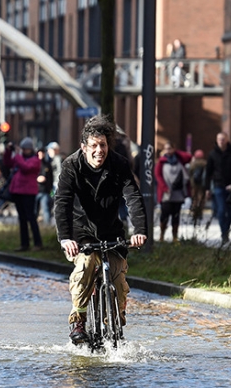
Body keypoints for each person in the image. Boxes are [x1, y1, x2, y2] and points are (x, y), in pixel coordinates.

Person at [54, 115, 148, 345]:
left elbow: (133, 196)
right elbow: (62, 202)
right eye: (94, 146)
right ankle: (79, 320)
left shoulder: (119, 164)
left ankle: (115, 324)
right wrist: (65, 238)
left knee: (117, 278)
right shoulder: (71, 165)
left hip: (111, 231)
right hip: (81, 232)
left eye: (103, 145)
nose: (99, 151)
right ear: (84, 148)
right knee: (85, 267)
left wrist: (140, 230)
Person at [4, 137, 43, 251]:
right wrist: (8, 151)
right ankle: (24, 244)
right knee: (21, 218)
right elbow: (8, 163)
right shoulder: (19, 158)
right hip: (17, 192)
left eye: (26, 149)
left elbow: (26, 168)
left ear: (30, 149)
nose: (24, 151)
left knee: (31, 217)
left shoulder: (35, 160)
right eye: (23, 149)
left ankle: (37, 243)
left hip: (28, 192)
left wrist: (17, 155)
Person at [204, 132, 231, 244]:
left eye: (223, 139)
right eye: (219, 139)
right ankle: (224, 233)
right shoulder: (213, 154)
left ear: (227, 140)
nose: (221, 141)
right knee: (221, 210)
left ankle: (226, 230)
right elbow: (208, 172)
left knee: (230, 210)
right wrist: (207, 188)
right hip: (218, 185)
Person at [155, 141, 191, 242]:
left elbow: (189, 157)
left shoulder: (180, 160)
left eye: (170, 148)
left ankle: (175, 237)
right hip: (166, 194)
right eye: (166, 149)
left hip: (178, 193)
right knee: (164, 215)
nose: (168, 151)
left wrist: (177, 152)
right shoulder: (161, 162)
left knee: (176, 215)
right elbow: (158, 176)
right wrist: (164, 188)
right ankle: (162, 235)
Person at [188, 149, 208, 227]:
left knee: (194, 199)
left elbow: (189, 173)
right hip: (202, 184)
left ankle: (194, 213)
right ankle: (200, 213)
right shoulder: (205, 163)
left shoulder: (193, 164)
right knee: (201, 199)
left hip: (194, 184)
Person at [36, 148, 54, 225]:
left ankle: (47, 226)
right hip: (35, 190)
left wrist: (50, 189)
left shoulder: (47, 164)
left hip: (45, 191)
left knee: (46, 209)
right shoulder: (34, 164)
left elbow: (51, 178)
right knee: (34, 211)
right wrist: (37, 179)